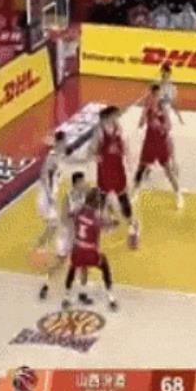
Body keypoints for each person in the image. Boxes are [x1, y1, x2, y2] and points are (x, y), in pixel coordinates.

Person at [89, 106, 140, 248]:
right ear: (109, 116)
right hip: (105, 168)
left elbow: (125, 145)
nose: (118, 118)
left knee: (122, 196)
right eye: (116, 115)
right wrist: (96, 156)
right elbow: (91, 149)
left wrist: (129, 160)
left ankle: (132, 224)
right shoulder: (99, 131)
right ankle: (106, 221)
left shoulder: (118, 128)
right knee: (103, 196)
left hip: (117, 167)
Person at [62, 188, 118, 311]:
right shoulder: (96, 219)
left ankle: (66, 296)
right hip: (91, 253)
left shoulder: (79, 211)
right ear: (96, 202)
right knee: (105, 266)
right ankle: (111, 298)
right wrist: (114, 223)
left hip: (78, 250)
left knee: (73, 267)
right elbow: (107, 227)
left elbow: (69, 215)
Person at [39, 171, 88, 300]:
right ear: (77, 183)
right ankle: (46, 285)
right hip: (67, 235)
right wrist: (76, 217)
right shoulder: (68, 197)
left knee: (84, 264)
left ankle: (82, 293)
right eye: (82, 181)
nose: (84, 183)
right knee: (60, 262)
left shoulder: (85, 196)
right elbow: (64, 218)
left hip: (78, 235)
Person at [133, 84, 183, 209]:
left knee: (168, 171)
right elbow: (140, 124)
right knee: (141, 169)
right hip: (149, 143)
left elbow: (169, 127)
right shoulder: (148, 108)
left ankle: (178, 195)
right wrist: (145, 113)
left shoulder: (163, 108)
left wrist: (160, 125)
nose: (155, 97)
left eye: (157, 95)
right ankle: (135, 192)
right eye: (154, 95)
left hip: (161, 144)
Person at [35, 131, 67, 252]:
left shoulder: (58, 155)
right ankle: (41, 247)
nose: (66, 143)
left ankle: (42, 245)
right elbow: (43, 175)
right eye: (64, 141)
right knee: (54, 224)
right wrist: (49, 196)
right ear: (60, 142)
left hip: (50, 196)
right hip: (46, 197)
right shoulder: (52, 157)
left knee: (54, 225)